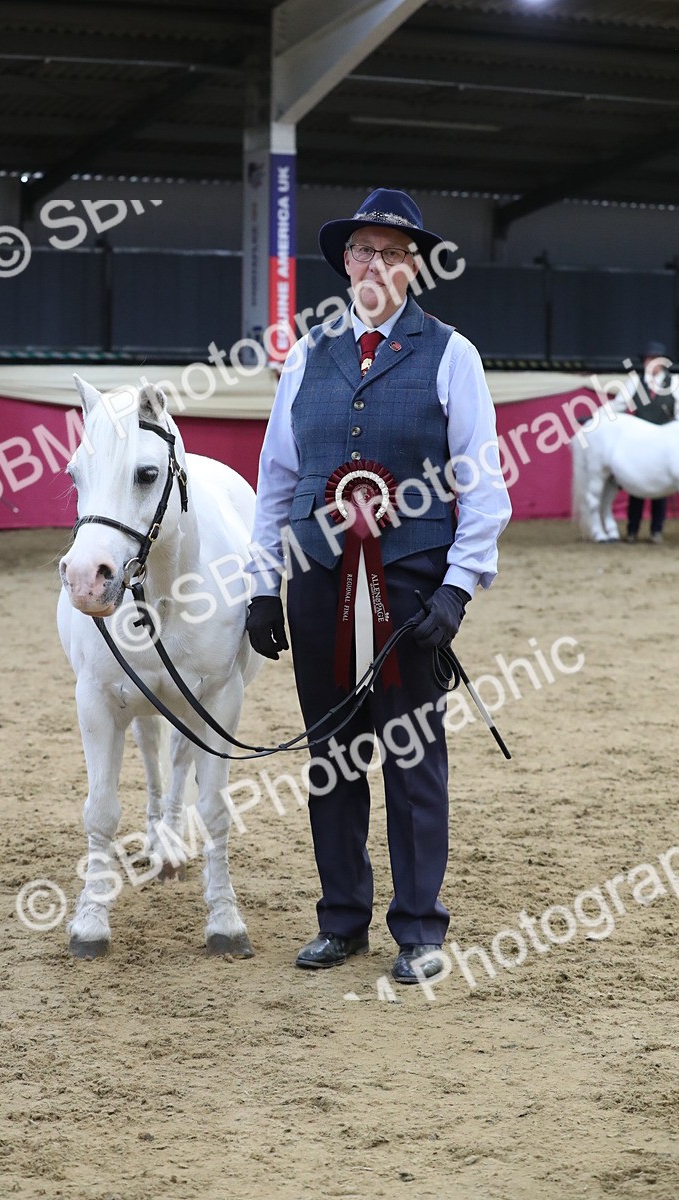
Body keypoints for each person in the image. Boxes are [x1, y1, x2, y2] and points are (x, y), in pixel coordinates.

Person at [245, 188, 511, 985]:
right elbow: (276, 480)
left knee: (411, 754)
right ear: (346, 264)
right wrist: (264, 587)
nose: (377, 264)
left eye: (394, 253)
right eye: (365, 250)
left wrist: (457, 591)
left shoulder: (451, 354)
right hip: (318, 587)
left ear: (413, 268)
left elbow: (485, 487)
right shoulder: (305, 357)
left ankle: (420, 928)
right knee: (331, 759)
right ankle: (342, 920)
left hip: (410, 596)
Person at [612, 341, 679, 544]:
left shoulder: (674, 383)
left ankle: (656, 530)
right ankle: (632, 530)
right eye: (647, 359)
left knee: (659, 489)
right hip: (640, 442)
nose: (650, 363)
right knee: (636, 485)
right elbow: (617, 406)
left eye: (653, 359)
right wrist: (596, 418)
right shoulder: (635, 383)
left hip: (663, 443)